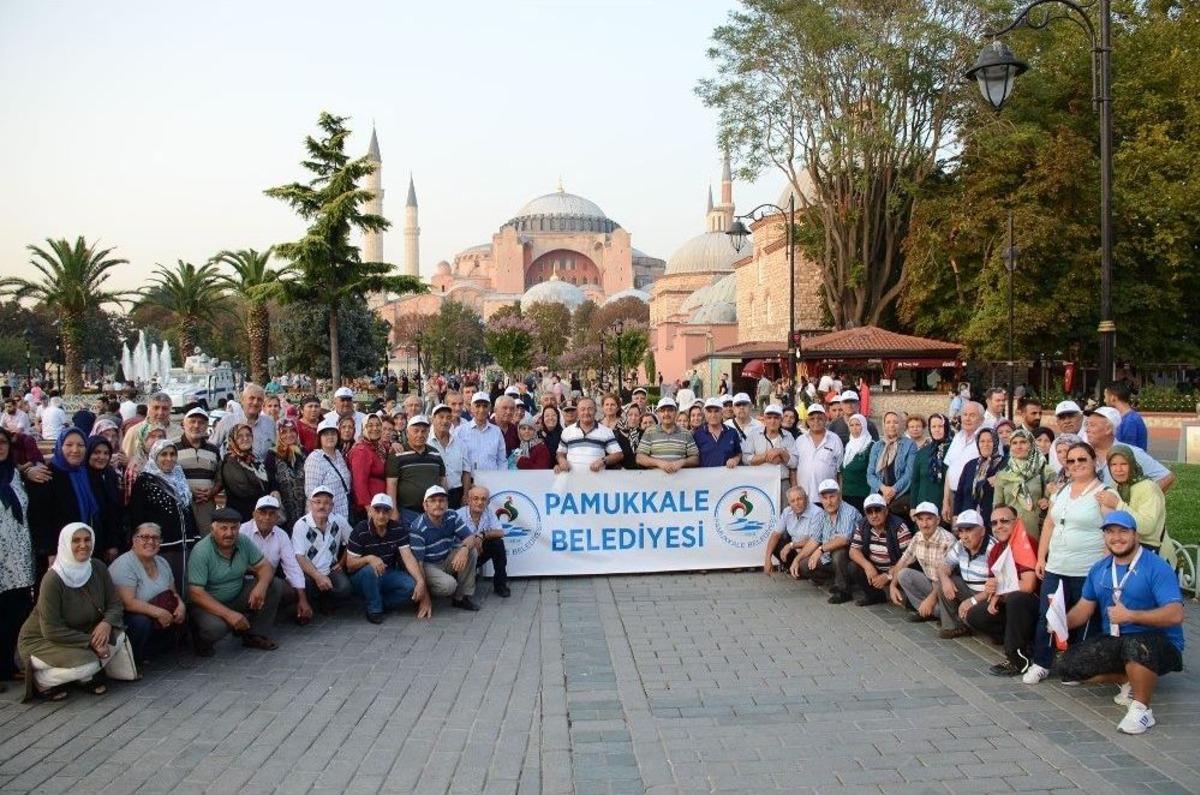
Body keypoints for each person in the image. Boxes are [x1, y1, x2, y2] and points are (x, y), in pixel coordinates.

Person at [1056, 510, 1185, 735]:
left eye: (1123, 531)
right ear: (1104, 537)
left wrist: (1131, 616)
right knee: (1068, 667)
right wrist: (1059, 622)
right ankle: (1132, 678)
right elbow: (1084, 610)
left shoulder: (1156, 567)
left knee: (1135, 644)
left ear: (1135, 535)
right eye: (1110, 532)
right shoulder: (1100, 569)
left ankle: (1142, 709)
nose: (1116, 537)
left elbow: (1175, 614)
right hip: (1118, 639)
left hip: (1160, 644)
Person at [1024, 441, 1111, 685]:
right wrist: (1041, 557)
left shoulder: (1103, 493)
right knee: (1049, 616)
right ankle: (1042, 662)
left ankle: (1077, 667)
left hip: (1087, 568)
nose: (1076, 465)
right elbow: (1050, 524)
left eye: (1082, 459)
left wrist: (1103, 567)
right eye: (1071, 461)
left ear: (1094, 462)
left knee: (1084, 620)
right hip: (1056, 566)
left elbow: (1110, 532)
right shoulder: (1060, 491)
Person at [188, 507, 282, 656]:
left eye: (234, 528)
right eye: (223, 528)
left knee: (274, 584)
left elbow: (265, 567)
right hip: (208, 604)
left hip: (236, 596)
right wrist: (229, 615)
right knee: (215, 628)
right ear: (212, 530)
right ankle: (200, 640)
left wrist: (261, 586)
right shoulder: (201, 551)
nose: (229, 533)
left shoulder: (242, 541)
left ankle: (254, 635)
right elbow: (196, 593)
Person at [961, 505, 1040, 676]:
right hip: (1011, 602)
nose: (999, 526)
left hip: (1033, 605)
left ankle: (1017, 659)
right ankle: (1024, 642)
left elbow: (1028, 585)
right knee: (975, 614)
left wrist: (999, 589)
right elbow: (995, 583)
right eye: (994, 523)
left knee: (1016, 599)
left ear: (1017, 522)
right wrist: (994, 593)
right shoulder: (997, 549)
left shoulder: (1026, 543)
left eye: (1005, 521)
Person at [27, 427, 104, 569]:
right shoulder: (46, 475)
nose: (75, 450)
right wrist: (50, 551)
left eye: (80, 445)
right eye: (69, 445)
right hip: (58, 553)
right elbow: (40, 518)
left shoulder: (88, 474)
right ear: (59, 446)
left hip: (86, 548)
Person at [345, 493, 429, 623]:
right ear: (371, 511)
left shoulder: (397, 528)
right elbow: (350, 565)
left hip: (386, 573)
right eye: (377, 510)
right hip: (362, 577)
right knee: (369, 570)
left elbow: (408, 557)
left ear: (391, 513)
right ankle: (374, 609)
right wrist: (369, 559)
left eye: (386, 511)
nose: (381, 515)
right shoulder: (360, 530)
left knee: (411, 586)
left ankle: (378, 602)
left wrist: (420, 581)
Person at [110, 522, 186, 664]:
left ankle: (153, 652)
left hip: (156, 616)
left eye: (155, 538)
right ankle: (133, 658)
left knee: (187, 611)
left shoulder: (162, 561)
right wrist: (159, 613)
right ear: (134, 540)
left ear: (161, 542)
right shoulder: (124, 564)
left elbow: (173, 592)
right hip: (126, 619)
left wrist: (181, 605)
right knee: (141, 622)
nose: (150, 541)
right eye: (145, 537)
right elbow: (128, 603)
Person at [239, 495, 313, 625]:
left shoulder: (281, 535)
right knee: (274, 586)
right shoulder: (242, 531)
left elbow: (292, 567)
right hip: (243, 581)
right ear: (254, 514)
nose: (267, 517)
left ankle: (268, 613)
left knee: (294, 589)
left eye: (271, 514)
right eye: (262, 513)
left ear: (277, 518)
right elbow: (237, 563)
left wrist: (303, 599)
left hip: (269, 581)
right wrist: (261, 574)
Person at [410, 485, 483, 611]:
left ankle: (460, 598)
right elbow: (419, 564)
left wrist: (464, 549)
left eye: (442, 500)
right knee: (449, 586)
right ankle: (425, 592)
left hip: (446, 558)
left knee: (472, 550)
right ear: (425, 505)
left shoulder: (452, 515)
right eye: (433, 501)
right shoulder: (417, 527)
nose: (438, 504)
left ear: (447, 503)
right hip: (428, 565)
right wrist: (425, 600)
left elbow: (470, 537)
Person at [0, 429, 34, 692]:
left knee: (15, 612)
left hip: (19, 558)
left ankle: (8, 665)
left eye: (2, 443)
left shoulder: (17, 475)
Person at [791, 480, 860, 605]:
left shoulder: (848, 511)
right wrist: (796, 559)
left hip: (854, 561)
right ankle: (837, 581)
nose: (829, 501)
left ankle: (844, 591)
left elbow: (844, 539)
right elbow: (814, 540)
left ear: (839, 495)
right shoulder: (823, 515)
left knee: (838, 551)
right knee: (803, 565)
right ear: (821, 499)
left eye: (832, 497)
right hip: (831, 559)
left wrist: (820, 549)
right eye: (825, 498)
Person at [1102, 444, 1173, 565]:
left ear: (1132, 464)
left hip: (1152, 556)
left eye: (1124, 464)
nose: (1118, 469)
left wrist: (1118, 504)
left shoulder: (1148, 487)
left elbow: (1147, 527)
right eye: (1113, 464)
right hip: (1125, 553)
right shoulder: (1117, 487)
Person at [889, 502, 956, 623]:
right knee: (903, 574)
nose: (924, 524)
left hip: (947, 588)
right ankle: (926, 611)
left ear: (938, 520)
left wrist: (931, 599)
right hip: (930, 583)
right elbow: (903, 561)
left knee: (943, 610)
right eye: (920, 519)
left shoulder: (948, 540)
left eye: (929, 519)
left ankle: (939, 612)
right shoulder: (917, 537)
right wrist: (892, 585)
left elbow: (950, 577)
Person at [934, 509, 995, 639]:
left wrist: (972, 601)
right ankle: (954, 627)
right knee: (945, 581)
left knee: (974, 616)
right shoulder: (961, 544)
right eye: (961, 531)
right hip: (969, 590)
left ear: (982, 531)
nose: (964, 536)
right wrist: (945, 580)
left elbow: (998, 587)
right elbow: (943, 565)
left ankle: (971, 624)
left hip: (988, 597)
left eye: (969, 530)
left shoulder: (993, 549)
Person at [291, 485, 353, 611]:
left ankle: (325, 598)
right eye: (317, 502)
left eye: (326, 503)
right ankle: (313, 603)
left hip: (331, 569)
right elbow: (299, 556)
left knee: (345, 589)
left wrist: (342, 561)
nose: (321, 506)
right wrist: (318, 576)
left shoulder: (338, 520)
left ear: (332, 506)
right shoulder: (301, 525)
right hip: (308, 571)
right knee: (306, 584)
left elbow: (353, 541)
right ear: (310, 504)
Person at [846, 493, 914, 606]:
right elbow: (853, 551)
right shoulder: (862, 524)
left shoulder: (899, 527)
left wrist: (888, 575)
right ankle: (875, 596)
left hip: (896, 568)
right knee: (853, 566)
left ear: (886, 511)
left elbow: (908, 559)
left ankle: (908, 598)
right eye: (869, 512)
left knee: (906, 578)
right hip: (875, 568)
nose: (874, 515)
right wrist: (868, 566)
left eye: (877, 510)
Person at [1087, 407, 1174, 493]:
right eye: (1086, 425)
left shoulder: (1130, 452)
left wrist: (1145, 499)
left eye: (1092, 425)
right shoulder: (1083, 453)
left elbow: (1166, 477)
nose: (1087, 430)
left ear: (1108, 429)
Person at [993, 429, 1053, 541]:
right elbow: (997, 508)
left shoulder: (1046, 471)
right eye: (1014, 443)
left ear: (1031, 444)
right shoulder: (1003, 475)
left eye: (1023, 442)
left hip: (1037, 531)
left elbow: (1055, 500)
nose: (1018, 446)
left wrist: (1047, 499)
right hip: (1012, 533)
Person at [387, 415, 446, 525]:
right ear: (408, 433)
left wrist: (444, 505)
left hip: (433, 512)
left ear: (428, 433)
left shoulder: (435, 453)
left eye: (423, 431)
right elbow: (391, 484)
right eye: (416, 431)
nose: (420, 434)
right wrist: (393, 510)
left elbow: (442, 480)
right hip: (407, 512)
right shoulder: (397, 453)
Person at [175, 406, 221, 536]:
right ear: (184, 424)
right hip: (181, 506)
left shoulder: (213, 450)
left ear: (206, 426)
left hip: (206, 507)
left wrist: (212, 492)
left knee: (206, 541)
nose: (196, 425)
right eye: (192, 421)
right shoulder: (172, 447)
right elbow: (167, 476)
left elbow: (220, 477)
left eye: (201, 423)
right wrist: (188, 491)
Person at [458, 484, 510, 598]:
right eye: (475, 499)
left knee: (498, 544)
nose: (480, 502)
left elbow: (501, 532)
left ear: (488, 502)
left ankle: (500, 585)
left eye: (483, 499)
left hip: (479, 551)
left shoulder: (488, 512)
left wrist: (482, 535)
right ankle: (463, 587)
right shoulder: (458, 515)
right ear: (468, 500)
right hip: (461, 556)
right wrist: (471, 543)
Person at [219, 423, 273, 521]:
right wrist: (267, 496)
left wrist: (274, 491)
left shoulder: (254, 459)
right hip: (241, 518)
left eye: (248, 435)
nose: (245, 438)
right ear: (233, 440)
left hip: (259, 516)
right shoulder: (230, 462)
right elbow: (243, 490)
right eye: (240, 436)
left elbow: (269, 480)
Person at [867, 411, 917, 515]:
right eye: (888, 422)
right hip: (878, 494)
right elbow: (870, 474)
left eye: (895, 422)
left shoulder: (910, 444)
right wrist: (883, 489)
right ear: (883, 424)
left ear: (901, 425)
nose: (891, 425)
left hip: (900, 495)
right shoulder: (877, 446)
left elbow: (909, 473)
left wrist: (893, 490)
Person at [942, 401, 985, 522]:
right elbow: (949, 471)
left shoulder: (986, 439)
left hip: (972, 499)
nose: (967, 418)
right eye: (965, 414)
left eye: (972, 415)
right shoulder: (957, 437)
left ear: (981, 420)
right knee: (957, 534)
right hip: (953, 496)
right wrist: (946, 501)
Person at [763, 486, 821, 575]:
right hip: (795, 550)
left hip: (811, 551)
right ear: (789, 503)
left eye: (799, 499)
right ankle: (795, 570)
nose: (796, 503)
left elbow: (815, 541)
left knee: (803, 565)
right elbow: (775, 534)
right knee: (776, 543)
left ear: (806, 498)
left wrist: (791, 545)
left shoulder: (817, 513)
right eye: (792, 501)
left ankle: (801, 571)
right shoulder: (787, 511)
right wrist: (767, 559)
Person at [557, 397, 623, 473]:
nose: (586, 412)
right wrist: (562, 461)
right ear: (578, 412)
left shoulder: (606, 431)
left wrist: (603, 461)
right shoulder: (567, 431)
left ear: (595, 411)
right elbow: (560, 453)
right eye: (582, 409)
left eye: (590, 409)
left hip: (597, 481)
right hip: (572, 480)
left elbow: (618, 454)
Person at [304, 418, 353, 521]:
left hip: (344, 513)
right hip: (325, 517)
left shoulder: (339, 455)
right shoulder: (315, 459)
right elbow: (311, 493)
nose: (330, 437)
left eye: (333, 434)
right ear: (319, 438)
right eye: (326, 434)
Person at [954, 428, 1004, 528]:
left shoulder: (1004, 464)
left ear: (996, 442)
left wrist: (1001, 478)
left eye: (990, 441)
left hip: (992, 521)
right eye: (982, 441)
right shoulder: (970, 465)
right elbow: (959, 493)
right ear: (977, 443)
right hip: (968, 520)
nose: (986, 444)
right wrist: (956, 515)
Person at [748, 405, 796, 505]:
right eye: (769, 418)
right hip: (760, 482)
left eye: (776, 418)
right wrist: (766, 456)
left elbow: (794, 462)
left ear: (781, 420)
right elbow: (746, 459)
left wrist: (781, 452)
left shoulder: (788, 436)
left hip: (782, 482)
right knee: (762, 514)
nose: (772, 421)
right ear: (764, 419)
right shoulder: (754, 434)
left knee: (784, 514)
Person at [85, 436, 124, 560]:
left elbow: (114, 510)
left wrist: (112, 543)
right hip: (89, 542)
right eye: (96, 452)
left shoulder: (110, 474)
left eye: (106, 453)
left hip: (110, 540)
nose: (102, 457)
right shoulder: (82, 477)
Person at [794, 404, 843, 501]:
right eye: (812, 418)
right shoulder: (800, 440)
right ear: (807, 421)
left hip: (827, 498)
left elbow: (840, 472)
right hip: (804, 497)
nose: (816, 421)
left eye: (819, 418)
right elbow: (794, 468)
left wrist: (839, 495)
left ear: (825, 419)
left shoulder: (835, 439)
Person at [636, 398, 699, 473]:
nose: (666, 413)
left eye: (670, 410)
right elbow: (639, 458)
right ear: (658, 414)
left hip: (680, 482)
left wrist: (682, 462)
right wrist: (659, 463)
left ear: (676, 412)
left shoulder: (686, 433)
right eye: (662, 410)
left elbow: (695, 459)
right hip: (655, 482)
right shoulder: (649, 432)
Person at [213, 384, 277, 458]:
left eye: (259, 399)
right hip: (233, 468)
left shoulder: (269, 424)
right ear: (242, 400)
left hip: (262, 468)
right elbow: (212, 447)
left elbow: (274, 450)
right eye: (251, 398)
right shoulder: (227, 421)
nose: (255, 402)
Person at [266, 418, 307, 528]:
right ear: (278, 434)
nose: (289, 435)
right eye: (284, 432)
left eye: (292, 431)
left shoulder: (304, 452)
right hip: (284, 504)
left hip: (303, 504)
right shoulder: (272, 454)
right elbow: (270, 478)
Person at [428, 404, 471, 509]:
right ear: (433, 419)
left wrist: (465, 495)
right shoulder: (426, 443)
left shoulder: (460, 443)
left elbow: (466, 471)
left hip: (457, 493)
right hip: (434, 494)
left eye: (448, 417)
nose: (445, 421)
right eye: (441, 417)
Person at [349, 414, 388, 521]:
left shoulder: (380, 447)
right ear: (364, 428)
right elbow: (359, 482)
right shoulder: (361, 450)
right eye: (370, 425)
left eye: (378, 425)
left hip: (381, 503)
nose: (375, 428)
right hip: (370, 507)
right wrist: (368, 507)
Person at [910, 413, 951, 510]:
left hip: (944, 506)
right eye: (933, 426)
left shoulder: (953, 450)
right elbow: (915, 481)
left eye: (940, 426)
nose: (937, 430)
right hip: (923, 506)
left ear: (946, 427)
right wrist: (913, 507)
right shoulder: (922, 452)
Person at [460, 392, 507, 474]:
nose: (481, 410)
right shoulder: (461, 431)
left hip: (492, 480)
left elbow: (502, 460)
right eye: (477, 406)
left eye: (485, 406)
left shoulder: (496, 431)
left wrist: (500, 479)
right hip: (468, 481)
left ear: (489, 408)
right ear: (471, 408)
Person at [120, 391, 173, 459]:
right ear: (148, 409)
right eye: (156, 408)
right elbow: (125, 459)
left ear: (170, 410)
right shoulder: (134, 431)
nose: (160, 412)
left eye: (165, 408)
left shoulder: (179, 432)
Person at [695, 398, 742, 469]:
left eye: (716, 411)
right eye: (709, 411)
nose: (713, 415)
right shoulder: (698, 434)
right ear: (705, 413)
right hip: (705, 478)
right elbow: (694, 458)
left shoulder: (732, 432)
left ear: (722, 412)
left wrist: (735, 460)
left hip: (728, 478)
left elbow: (738, 453)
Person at [839, 414, 873, 512]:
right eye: (851, 425)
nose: (854, 428)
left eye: (858, 425)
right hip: (846, 495)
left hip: (863, 496)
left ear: (864, 425)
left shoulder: (870, 446)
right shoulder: (848, 446)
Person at [1104, 381, 1147, 451]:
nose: (1104, 400)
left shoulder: (1130, 421)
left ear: (1113, 398)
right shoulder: (1127, 418)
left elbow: (1127, 452)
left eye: (1105, 397)